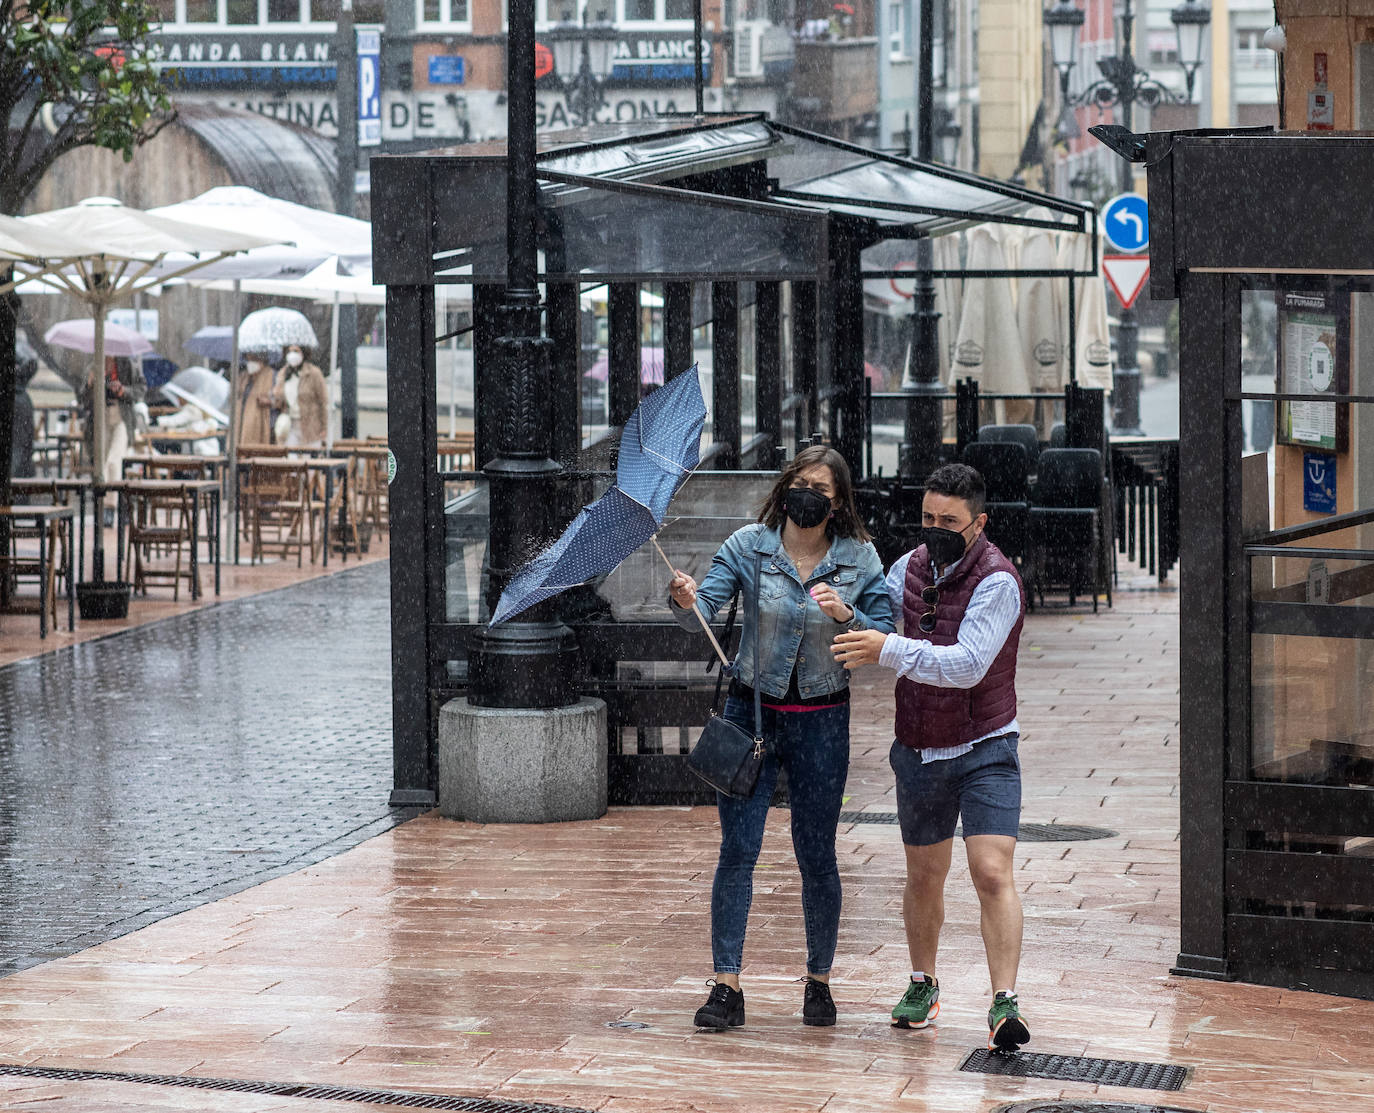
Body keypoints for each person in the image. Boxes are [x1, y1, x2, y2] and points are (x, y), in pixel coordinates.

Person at [667, 444, 894, 1030]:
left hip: (823, 718)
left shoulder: (860, 557)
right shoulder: (749, 547)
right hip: (752, 713)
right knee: (737, 851)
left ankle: (819, 981)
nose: (807, 495)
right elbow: (704, 609)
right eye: (799, 482)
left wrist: (848, 615)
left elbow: (884, 637)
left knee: (815, 852)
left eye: (821, 487)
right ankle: (726, 985)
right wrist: (685, 597)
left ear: (838, 500)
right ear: (784, 487)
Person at [831, 462, 1030, 1052]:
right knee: (924, 875)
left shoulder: (998, 581)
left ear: (979, 523)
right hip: (918, 745)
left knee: (991, 871)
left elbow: (968, 665)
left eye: (949, 521)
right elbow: (877, 617)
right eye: (927, 518)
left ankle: (1004, 1002)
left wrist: (886, 648)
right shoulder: (909, 567)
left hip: (986, 743)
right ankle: (923, 983)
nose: (935, 529)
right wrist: (845, 614)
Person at [82, 355, 147, 523]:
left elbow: (141, 389)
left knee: (113, 461)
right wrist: (90, 384)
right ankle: (102, 505)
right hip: (101, 416)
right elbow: (84, 399)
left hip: (121, 417)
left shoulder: (127, 364)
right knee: (100, 463)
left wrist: (123, 390)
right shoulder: (94, 366)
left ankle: (110, 506)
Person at [270, 344, 328, 447]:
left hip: (311, 426)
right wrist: (276, 393)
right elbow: (277, 403)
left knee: (308, 459)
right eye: (289, 351)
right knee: (290, 458)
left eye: (296, 351)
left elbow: (323, 402)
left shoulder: (313, 373)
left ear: (303, 353)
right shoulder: (283, 373)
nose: (292, 354)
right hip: (289, 425)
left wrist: (324, 427)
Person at [237, 351, 276, 447]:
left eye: (253, 359)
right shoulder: (244, 377)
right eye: (248, 359)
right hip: (243, 422)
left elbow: (279, 399)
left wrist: (270, 402)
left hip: (263, 422)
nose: (250, 363)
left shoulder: (272, 375)